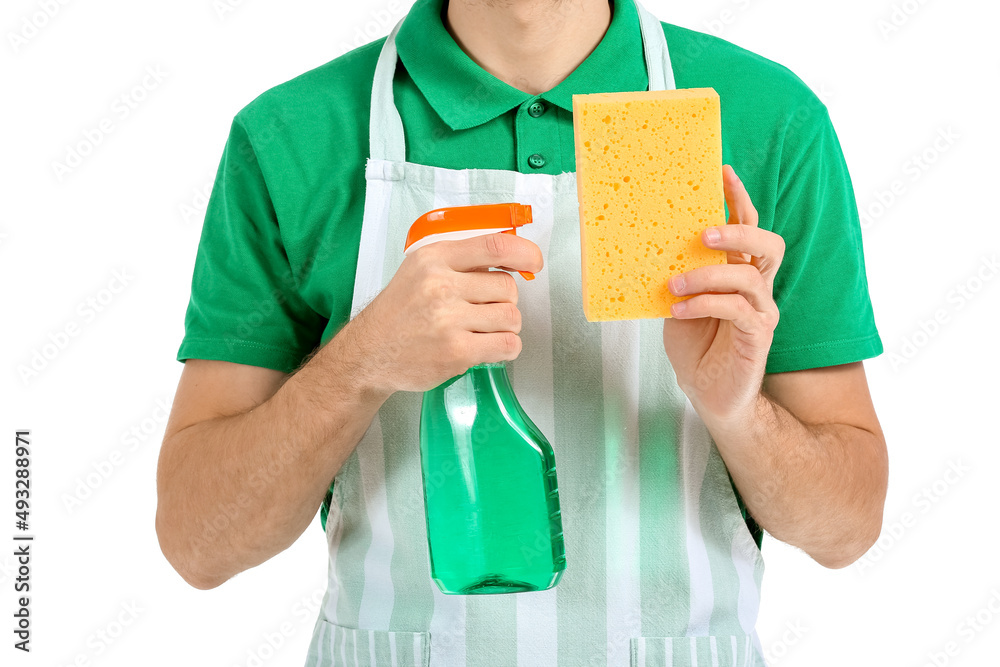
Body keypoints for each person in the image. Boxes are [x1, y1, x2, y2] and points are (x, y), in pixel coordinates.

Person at [155, 0, 889, 664]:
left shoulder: (768, 122)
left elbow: (846, 529)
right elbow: (199, 543)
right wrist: (361, 362)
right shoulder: (294, 136)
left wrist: (736, 412)